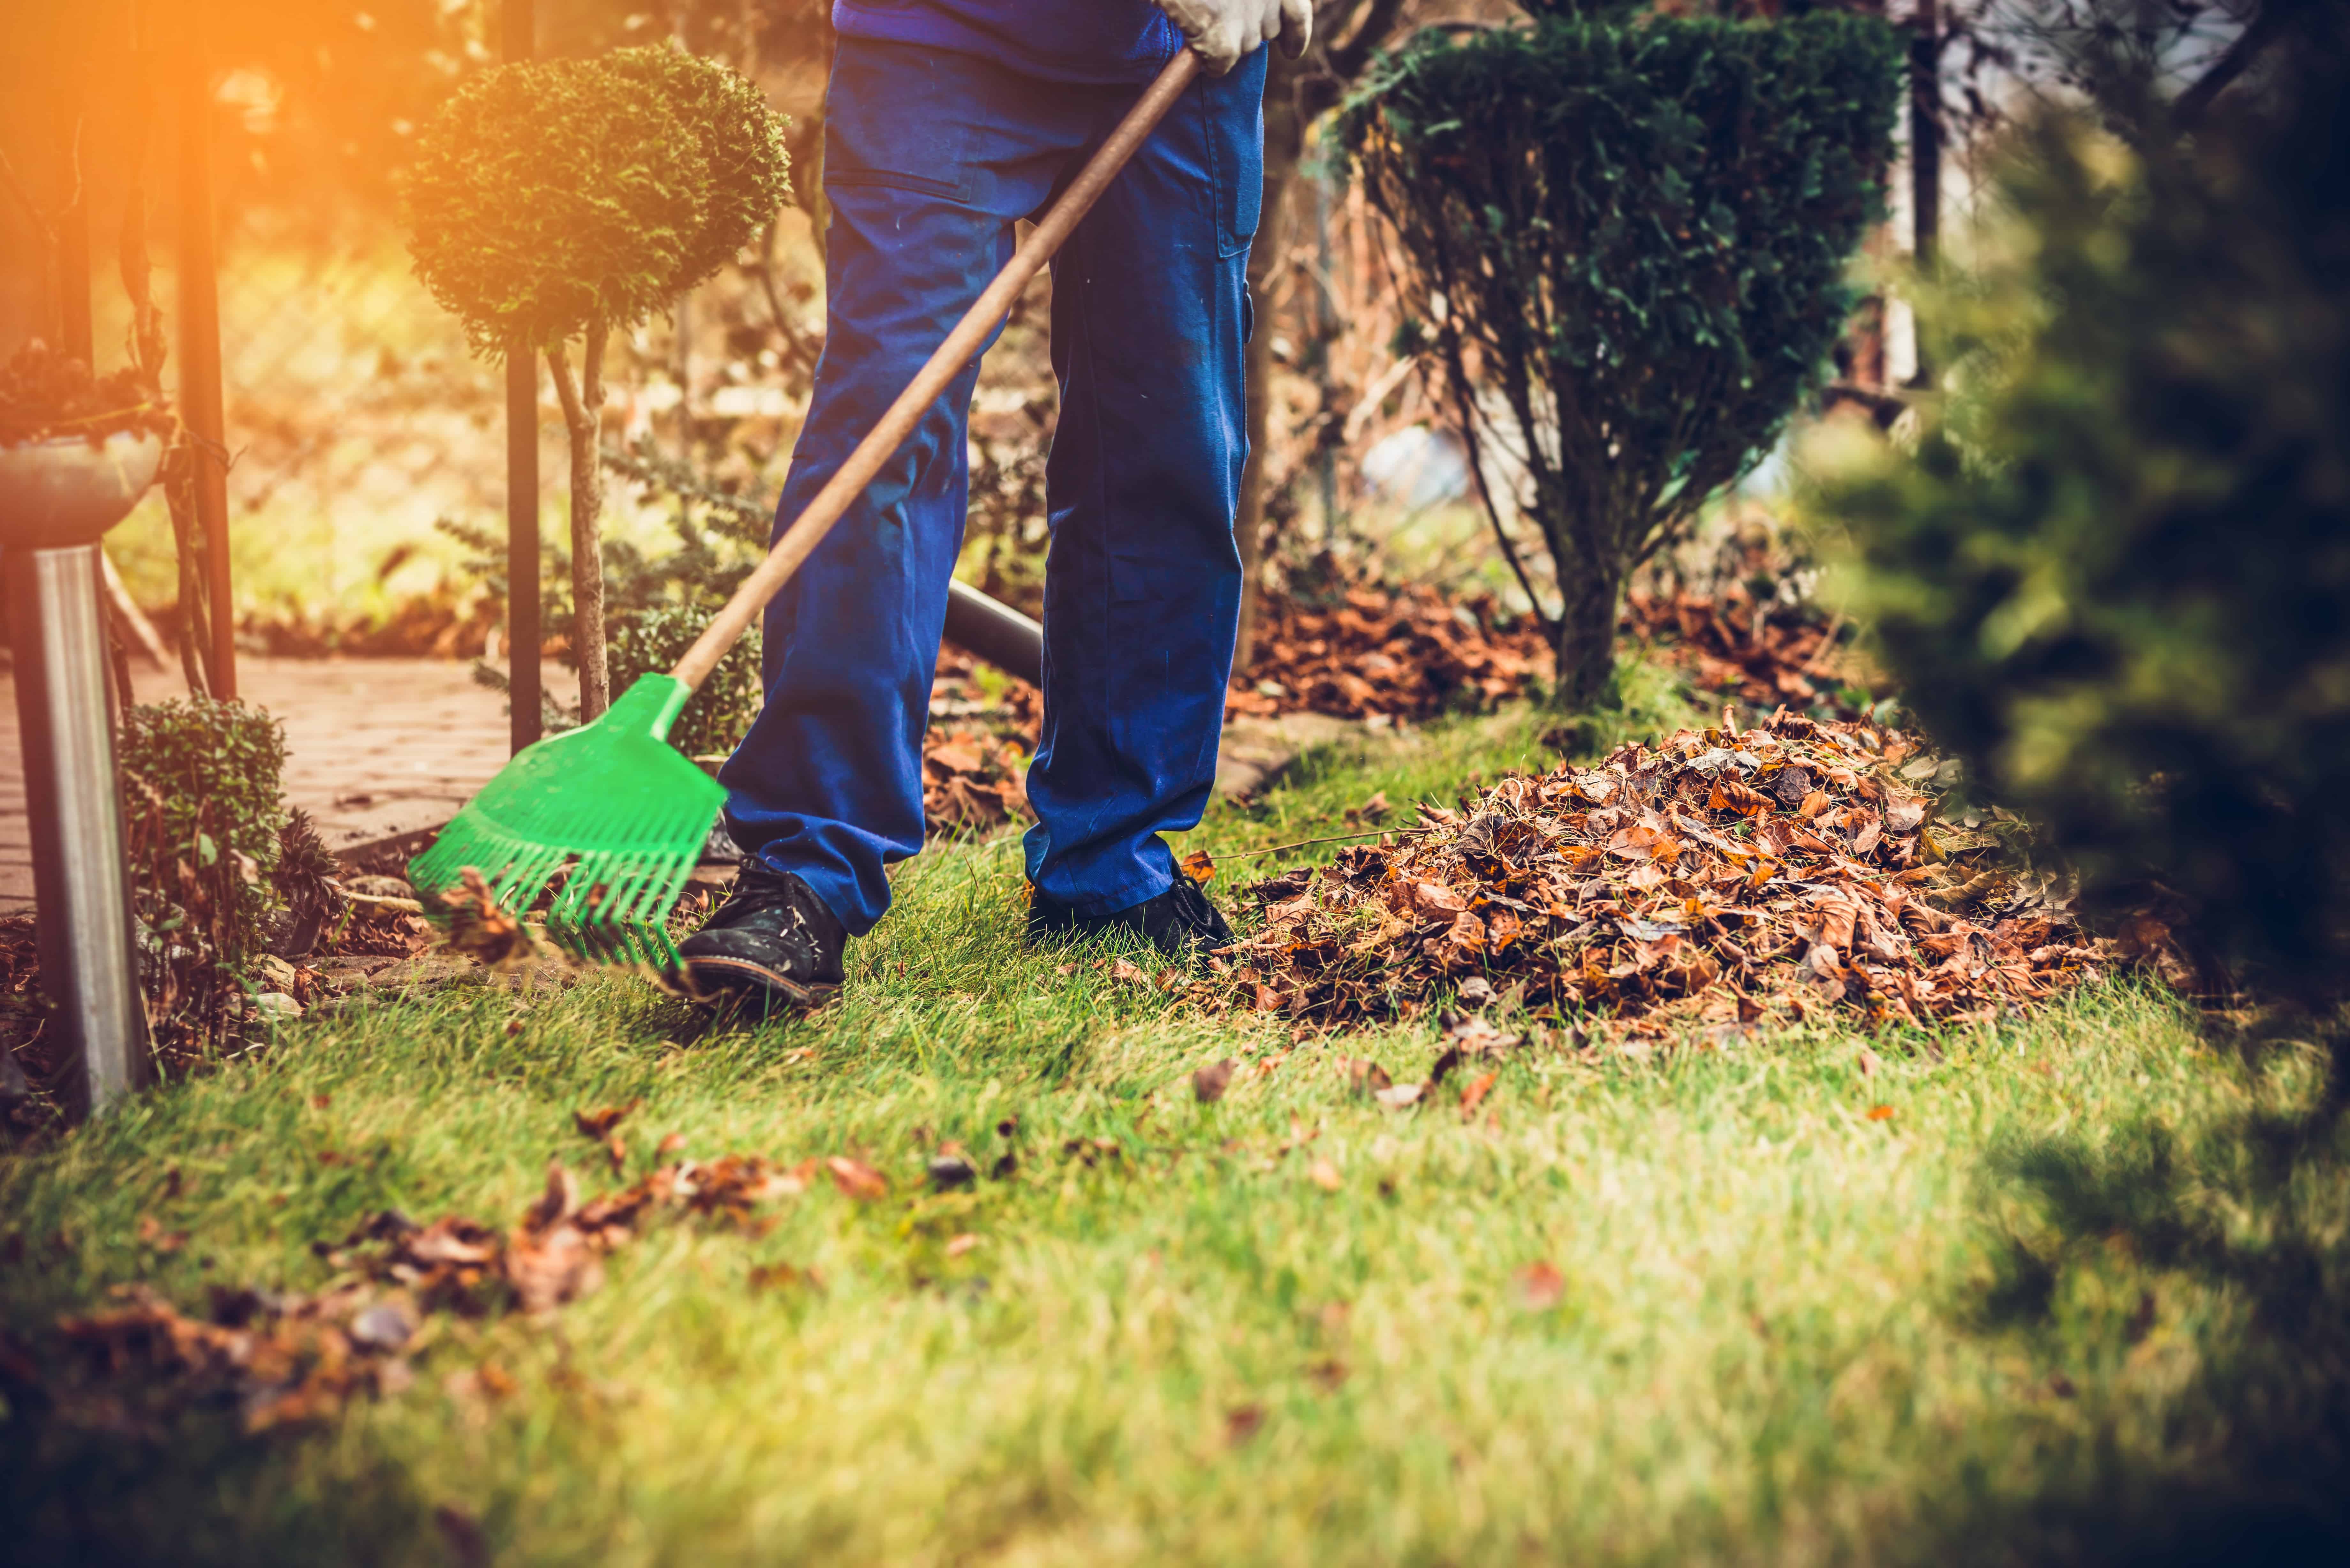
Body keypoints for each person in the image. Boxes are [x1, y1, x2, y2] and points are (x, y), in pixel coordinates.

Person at [675, 0, 1311, 1009]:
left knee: (1170, 442)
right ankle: (807, 869)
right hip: (940, 40)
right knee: (883, 430)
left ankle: (1110, 866)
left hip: (1177, 58)